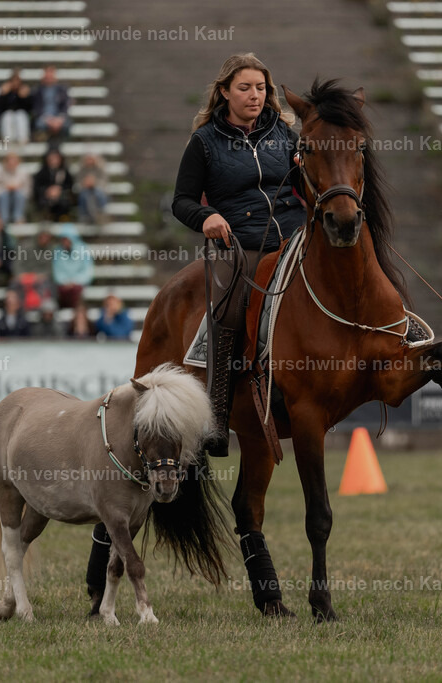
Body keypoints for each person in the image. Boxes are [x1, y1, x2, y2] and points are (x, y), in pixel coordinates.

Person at [171, 52, 306, 457]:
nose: (255, 95)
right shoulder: (204, 142)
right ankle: (215, 416)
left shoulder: (284, 135)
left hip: (297, 236)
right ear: (225, 92)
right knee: (227, 309)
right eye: (245, 88)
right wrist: (206, 216)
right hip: (241, 244)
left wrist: (310, 167)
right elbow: (181, 201)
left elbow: (305, 181)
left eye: (261, 88)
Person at [51, 224, 93, 308]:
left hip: (78, 285)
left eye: (66, 239)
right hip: (64, 286)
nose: (64, 242)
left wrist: (75, 282)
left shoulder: (83, 249)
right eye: (63, 239)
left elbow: (88, 271)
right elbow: (57, 271)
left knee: (75, 292)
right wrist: (65, 282)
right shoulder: (58, 251)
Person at [0, 152, 31, 224]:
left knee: (18, 195)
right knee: (4, 195)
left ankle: (18, 219)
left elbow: (28, 191)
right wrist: (5, 189)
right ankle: (3, 220)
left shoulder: (24, 173)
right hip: (1, 200)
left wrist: (16, 189)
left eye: (14, 162)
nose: (11, 165)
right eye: (9, 162)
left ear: (18, 163)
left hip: (19, 200)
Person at [33, 147, 74, 220]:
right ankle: (46, 218)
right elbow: (37, 187)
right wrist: (48, 190)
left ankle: (63, 218)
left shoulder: (64, 172)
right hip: (46, 199)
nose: (54, 161)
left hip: (61, 198)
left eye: (56, 158)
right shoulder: (42, 172)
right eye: (51, 158)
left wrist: (59, 190)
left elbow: (70, 185)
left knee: (64, 201)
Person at [32, 65, 71, 139]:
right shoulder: (37, 90)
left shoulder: (62, 90)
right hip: (44, 119)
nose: (49, 76)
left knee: (67, 124)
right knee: (39, 124)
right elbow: (36, 108)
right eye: (47, 74)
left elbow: (65, 106)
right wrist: (48, 120)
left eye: (51, 74)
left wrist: (59, 119)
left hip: (58, 119)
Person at [0, 69, 32, 144]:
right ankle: (7, 141)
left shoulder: (23, 91)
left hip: (21, 116)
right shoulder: (6, 93)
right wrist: (3, 95)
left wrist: (24, 97)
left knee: (20, 115)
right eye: (13, 80)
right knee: (7, 116)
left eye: (17, 80)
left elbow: (29, 108)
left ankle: (22, 139)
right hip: (8, 116)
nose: (15, 83)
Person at [77, 154, 109, 223]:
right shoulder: (82, 170)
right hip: (85, 191)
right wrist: (85, 183)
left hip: (98, 191)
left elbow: (104, 182)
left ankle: (99, 215)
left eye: (91, 159)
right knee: (85, 195)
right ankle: (88, 217)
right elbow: (78, 182)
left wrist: (94, 183)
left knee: (98, 194)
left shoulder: (100, 169)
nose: (89, 161)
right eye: (88, 159)